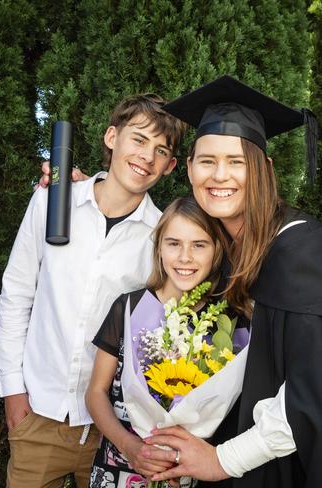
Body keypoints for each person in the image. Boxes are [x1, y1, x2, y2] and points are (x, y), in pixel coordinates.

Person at [140, 76, 322, 488]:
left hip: (296, 470)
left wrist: (220, 461)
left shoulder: (305, 255)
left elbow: (310, 398)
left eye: (237, 162)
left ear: (264, 168)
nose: (220, 176)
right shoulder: (222, 250)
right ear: (191, 169)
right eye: (206, 160)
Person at [0, 93, 185, 487]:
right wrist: (12, 390)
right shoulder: (52, 201)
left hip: (114, 430)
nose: (146, 157)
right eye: (138, 139)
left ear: (170, 167)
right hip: (39, 414)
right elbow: (16, 294)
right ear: (112, 137)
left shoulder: (162, 238)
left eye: (160, 150)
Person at [85, 196, 226, 487]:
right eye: (173, 243)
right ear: (159, 248)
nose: (185, 257)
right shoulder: (127, 308)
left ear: (217, 250)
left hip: (183, 476)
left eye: (199, 245)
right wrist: (129, 445)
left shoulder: (226, 326)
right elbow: (96, 393)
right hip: (117, 470)